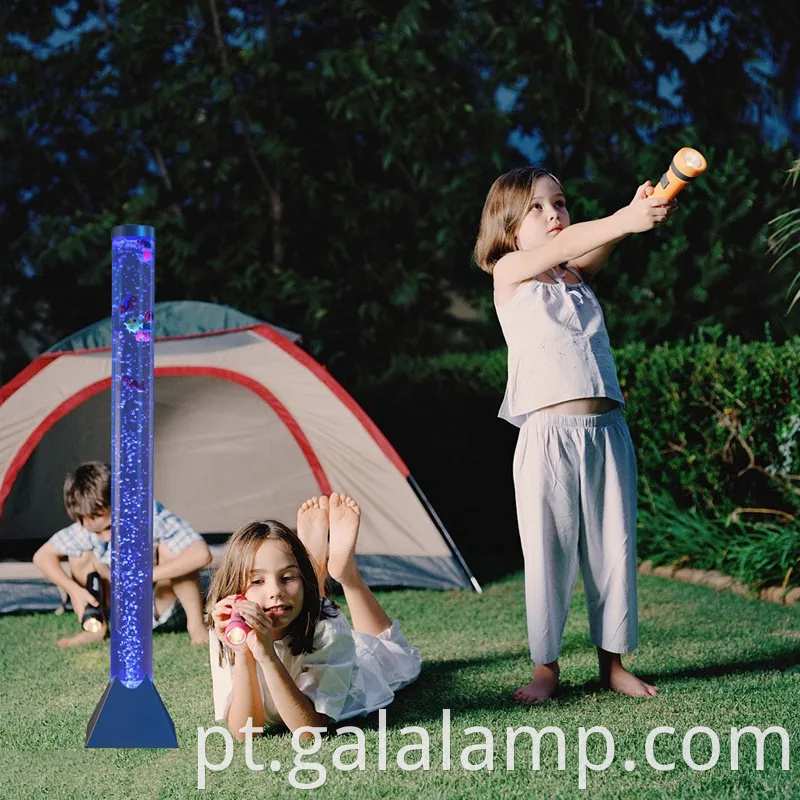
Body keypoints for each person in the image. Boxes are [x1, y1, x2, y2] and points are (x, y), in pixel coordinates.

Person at [474, 167, 677, 704]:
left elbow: (593, 244)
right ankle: (546, 669)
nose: (554, 214)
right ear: (508, 226)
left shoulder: (573, 278)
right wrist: (624, 219)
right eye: (537, 208)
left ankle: (612, 665)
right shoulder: (512, 271)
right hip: (549, 437)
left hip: (607, 430)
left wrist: (633, 215)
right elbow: (589, 236)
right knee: (549, 553)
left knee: (614, 547)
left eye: (560, 203)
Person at [207, 492, 421, 739]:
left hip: (358, 673)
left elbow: (309, 731)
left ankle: (346, 574)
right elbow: (246, 733)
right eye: (257, 581)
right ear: (235, 592)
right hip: (309, 626)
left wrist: (267, 656)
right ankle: (314, 571)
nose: (275, 591)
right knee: (310, 608)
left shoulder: (328, 629)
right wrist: (244, 652)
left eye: (288, 577)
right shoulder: (227, 628)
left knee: (393, 651)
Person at [32, 461, 212, 648]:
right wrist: (74, 590)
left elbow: (201, 554)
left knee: (176, 550)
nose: (107, 536)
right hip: (117, 612)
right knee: (78, 555)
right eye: (97, 532)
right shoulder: (87, 527)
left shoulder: (149, 514)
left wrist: (143, 576)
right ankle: (95, 627)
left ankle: (196, 626)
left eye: (111, 526)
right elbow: (42, 557)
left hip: (160, 607)